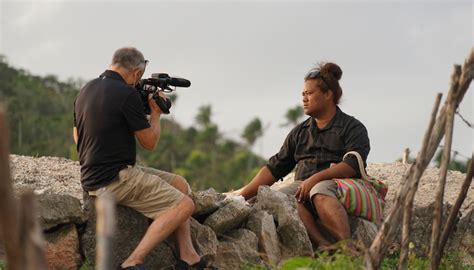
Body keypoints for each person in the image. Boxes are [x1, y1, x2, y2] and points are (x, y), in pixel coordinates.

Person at [73, 47, 211, 269]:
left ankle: (188, 257)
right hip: (115, 179)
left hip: (91, 175)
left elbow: (76, 134)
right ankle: (132, 262)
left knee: (179, 184)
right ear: (137, 73)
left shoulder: (86, 90)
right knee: (185, 205)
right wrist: (155, 113)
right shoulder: (126, 95)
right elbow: (149, 143)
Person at [239, 62, 370, 250]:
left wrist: (314, 179)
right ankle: (322, 245)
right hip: (303, 187)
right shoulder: (300, 132)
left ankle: (345, 246)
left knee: (319, 190)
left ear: (327, 94)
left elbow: (352, 165)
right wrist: (242, 196)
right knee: (278, 198)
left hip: (337, 183)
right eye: (303, 94)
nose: (304, 99)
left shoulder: (352, 127)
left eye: (309, 93)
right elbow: (275, 167)